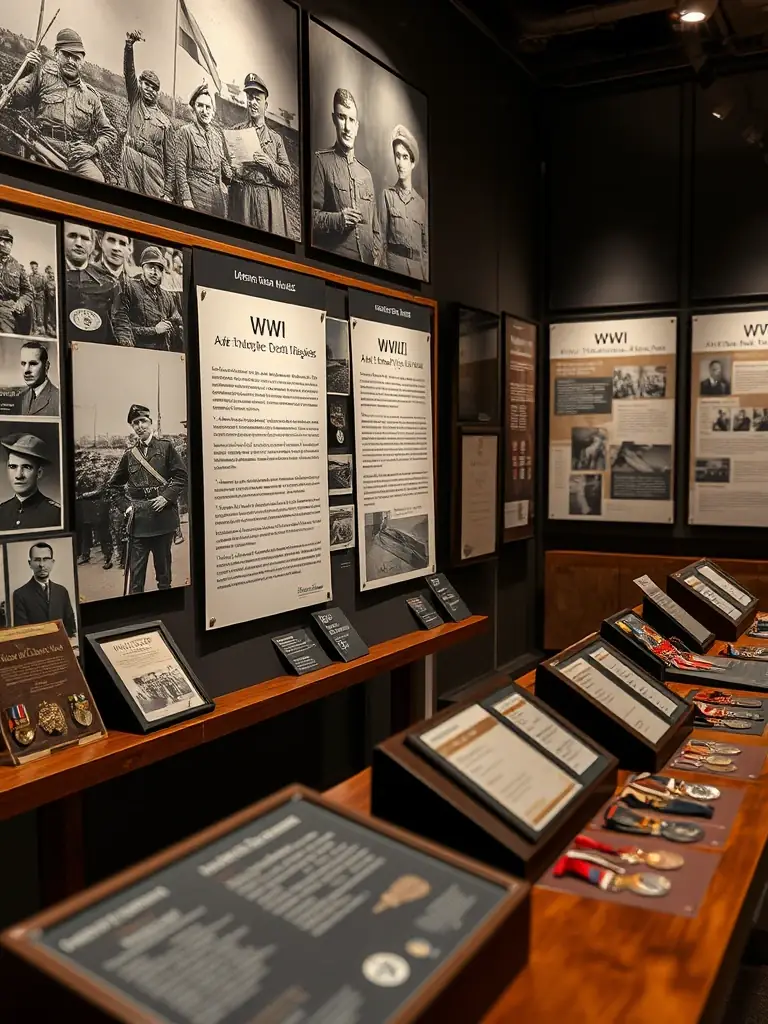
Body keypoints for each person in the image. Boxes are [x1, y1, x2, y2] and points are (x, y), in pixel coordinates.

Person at [5, 28, 116, 182]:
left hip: (77, 156)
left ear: (82, 62)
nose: (71, 61)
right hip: (44, 143)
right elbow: (17, 102)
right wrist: (28, 69)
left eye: (76, 58)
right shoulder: (42, 77)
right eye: (66, 55)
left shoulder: (91, 96)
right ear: (56, 54)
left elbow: (109, 132)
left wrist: (94, 149)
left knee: (97, 181)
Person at [107, 404, 187, 594]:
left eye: (143, 421)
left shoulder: (166, 448)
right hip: (139, 523)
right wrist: (126, 507)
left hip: (162, 520)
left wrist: (167, 497)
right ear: (132, 427)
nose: (140, 426)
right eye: (135, 423)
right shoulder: (129, 455)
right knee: (136, 579)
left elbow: (181, 476)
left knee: (164, 576)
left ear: (151, 423)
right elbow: (113, 486)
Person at [312, 88, 381, 265]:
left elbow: (376, 230)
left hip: (367, 269)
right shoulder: (322, 162)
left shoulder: (366, 175)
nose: (347, 127)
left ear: (357, 126)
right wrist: (339, 219)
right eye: (342, 118)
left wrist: (376, 260)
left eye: (351, 120)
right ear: (334, 119)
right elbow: (311, 218)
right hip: (337, 265)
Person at [228, 73, 292, 236]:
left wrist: (269, 163)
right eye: (250, 98)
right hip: (243, 200)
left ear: (266, 105)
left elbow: (288, 178)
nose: (253, 103)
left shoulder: (276, 139)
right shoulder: (236, 131)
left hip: (269, 203)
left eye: (257, 99)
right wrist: (232, 168)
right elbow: (226, 171)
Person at [122, 30, 173, 201]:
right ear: (140, 84)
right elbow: (129, 72)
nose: (149, 89)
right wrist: (129, 46)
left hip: (153, 168)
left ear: (157, 92)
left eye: (154, 88)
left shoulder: (165, 122)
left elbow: (170, 160)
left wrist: (168, 191)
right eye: (146, 85)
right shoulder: (135, 100)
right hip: (131, 159)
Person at [64, 223, 133, 345]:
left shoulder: (110, 283)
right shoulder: (53, 276)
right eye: (72, 236)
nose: (79, 243)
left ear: (93, 244)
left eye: (85, 238)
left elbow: (120, 321)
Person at [379, 124, 428, 281]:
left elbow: (425, 249)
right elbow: (380, 240)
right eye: (397, 156)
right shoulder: (387, 196)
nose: (400, 163)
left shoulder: (421, 204)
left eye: (405, 157)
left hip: (416, 273)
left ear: (412, 163)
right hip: (393, 268)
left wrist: (423, 274)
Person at [174, 84, 231, 218]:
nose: (204, 111)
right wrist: (186, 198)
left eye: (208, 107)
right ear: (194, 108)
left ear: (213, 112)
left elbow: (223, 167)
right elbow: (179, 167)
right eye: (200, 106)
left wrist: (231, 168)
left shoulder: (217, 137)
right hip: (196, 193)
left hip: (218, 197)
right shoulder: (185, 132)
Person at [12, 541, 77, 643]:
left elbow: (71, 627)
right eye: (37, 560)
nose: (42, 565)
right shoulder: (20, 595)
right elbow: (22, 634)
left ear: (52, 562)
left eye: (46, 559)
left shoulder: (61, 591)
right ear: (30, 563)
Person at [122, 247, 183, 351]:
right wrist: (154, 330)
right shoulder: (130, 288)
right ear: (142, 268)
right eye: (150, 267)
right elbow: (122, 326)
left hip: (164, 353)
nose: (155, 272)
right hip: (139, 352)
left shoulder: (166, 296)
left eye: (159, 268)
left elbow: (177, 318)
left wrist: (175, 325)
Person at [0, 433, 60, 531]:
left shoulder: (56, 514)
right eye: (13, 467)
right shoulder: (2, 511)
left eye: (27, 467)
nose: (18, 475)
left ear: (39, 473)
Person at [0, 224, 33, 335]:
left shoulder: (18, 267)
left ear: (11, 244)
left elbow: (28, 292)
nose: (1, 244)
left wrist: (21, 302)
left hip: (11, 310)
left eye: (6, 241)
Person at [19, 341, 59, 416]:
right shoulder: (22, 396)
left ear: (46, 366)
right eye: (23, 363)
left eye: (33, 363)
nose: (26, 370)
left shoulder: (58, 399)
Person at [96, 230, 136, 296]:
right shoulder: (86, 275)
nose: (116, 248)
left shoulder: (134, 283)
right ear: (100, 241)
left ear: (129, 249)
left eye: (122, 243)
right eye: (111, 240)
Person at [28, 261, 45, 335]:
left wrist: (38, 293)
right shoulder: (29, 276)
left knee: (40, 313)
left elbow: (44, 287)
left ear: (37, 267)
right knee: (33, 313)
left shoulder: (42, 276)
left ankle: (40, 329)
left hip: (39, 297)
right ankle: (34, 329)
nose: (34, 269)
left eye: (35, 267)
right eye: (32, 268)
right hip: (32, 297)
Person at [43, 265, 56, 337]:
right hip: (49, 299)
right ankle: (49, 330)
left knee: (53, 314)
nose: (51, 274)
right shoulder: (46, 280)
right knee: (49, 314)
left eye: (51, 272)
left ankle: (53, 329)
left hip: (54, 299)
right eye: (48, 272)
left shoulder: (54, 280)